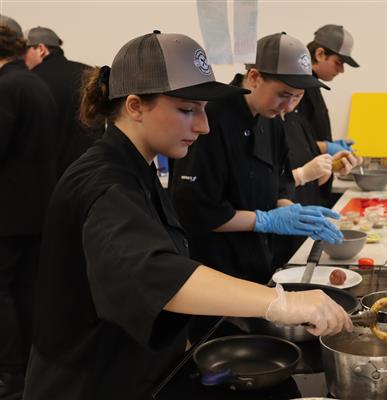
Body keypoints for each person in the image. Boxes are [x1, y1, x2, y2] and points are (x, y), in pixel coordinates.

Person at [23, 31, 351, 400]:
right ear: (134, 106)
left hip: (133, 367)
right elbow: (154, 273)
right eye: (186, 109)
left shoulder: (138, 167)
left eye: (204, 109)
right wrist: (281, 302)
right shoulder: (104, 182)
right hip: (86, 381)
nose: (203, 126)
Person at [171, 32, 343, 284]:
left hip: (259, 261)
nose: (289, 107)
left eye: (297, 97)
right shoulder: (211, 120)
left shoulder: (270, 119)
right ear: (254, 77)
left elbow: (281, 181)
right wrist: (266, 220)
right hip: (216, 269)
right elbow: (196, 211)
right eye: (283, 94)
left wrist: (292, 213)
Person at [0, 21, 58, 399]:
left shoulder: (5, 86)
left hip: (7, 214)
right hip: (37, 209)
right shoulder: (36, 83)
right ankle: (27, 369)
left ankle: (9, 374)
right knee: (25, 290)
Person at [272, 93, 359, 266]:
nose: (291, 103)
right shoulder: (265, 124)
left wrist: (331, 167)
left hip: (303, 234)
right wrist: (301, 174)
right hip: (278, 238)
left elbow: (314, 184)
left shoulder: (297, 120)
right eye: (287, 93)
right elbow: (266, 187)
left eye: (298, 95)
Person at [25, 26, 103, 176]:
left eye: (24, 52)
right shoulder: (88, 74)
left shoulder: (31, 81)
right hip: (91, 169)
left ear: (40, 49)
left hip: (49, 175)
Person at [296, 24, 360, 206]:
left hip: (317, 181)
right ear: (320, 54)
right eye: (338, 63)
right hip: (303, 185)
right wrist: (327, 147)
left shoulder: (314, 86)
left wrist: (332, 147)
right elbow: (294, 142)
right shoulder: (301, 88)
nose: (341, 70)